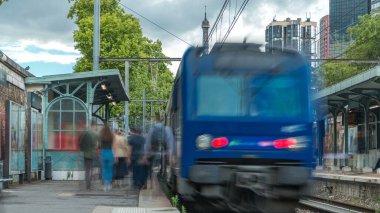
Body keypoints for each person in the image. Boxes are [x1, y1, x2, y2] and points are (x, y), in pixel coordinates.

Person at [144, 114, 174, 187]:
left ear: (156, 120)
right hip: (164, 152)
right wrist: (171, 156)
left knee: (150, 167)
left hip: (153, 152)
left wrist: (145, 154)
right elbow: (171, 143)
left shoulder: (152, 129)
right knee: (166, 166)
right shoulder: (167, 129)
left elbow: (148, 142)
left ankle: (149, 183)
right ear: (163, 120)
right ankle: (166, 177)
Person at [79, 121, 98, 190]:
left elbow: (81, 142)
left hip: (86, 153)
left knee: (87, 169)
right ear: (94, 125)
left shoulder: (85, 133)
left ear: (90, 125)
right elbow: (97, 145)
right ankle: (90, 182)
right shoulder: (95, 134)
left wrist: (82, 149)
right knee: (91, 169)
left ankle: (87, 183)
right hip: (93, 153)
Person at [99, 125, 115, 192]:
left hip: (103, 153)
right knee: (110, 170)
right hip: (110, 153)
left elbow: (99, 146)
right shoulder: (112, 136)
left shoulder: (101, 136)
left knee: (104, 170)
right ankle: (109, 185)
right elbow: (114, 145)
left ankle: (105, 185)